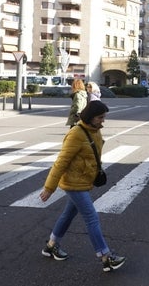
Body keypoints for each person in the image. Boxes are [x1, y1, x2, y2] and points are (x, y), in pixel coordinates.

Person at [39, 101, 126, 272]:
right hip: (74, 183)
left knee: (68, 214)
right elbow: (61, 162)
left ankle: (51, 246)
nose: (103, 121)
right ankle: (106, 257)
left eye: (104, 117)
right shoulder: (76, 134)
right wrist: (49, 188)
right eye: (100, 117)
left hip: (83, 181)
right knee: (91, 217)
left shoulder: (94, 130)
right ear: (90, 117)